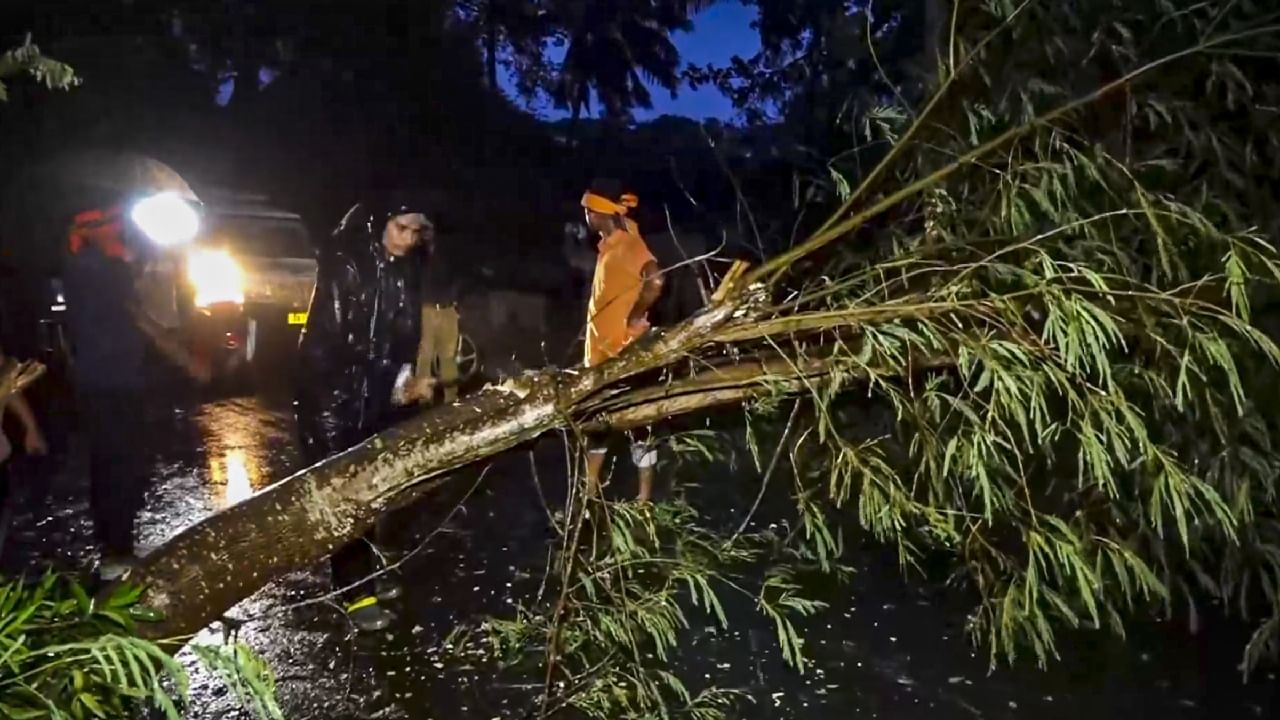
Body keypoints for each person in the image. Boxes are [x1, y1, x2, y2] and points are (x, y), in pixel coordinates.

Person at [295, 199, 434, 632]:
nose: (408, 238)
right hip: (333, 397)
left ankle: (367, 574)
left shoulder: (406, 267)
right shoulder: (346, 263)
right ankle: (352, 592)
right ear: (380, 221)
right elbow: (330, 341)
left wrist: (405, 377)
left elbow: (405, 331)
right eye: (401, 227)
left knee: (375, 490)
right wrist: (384, 375)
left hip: (374, 394)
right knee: (346, 495)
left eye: (416, 231)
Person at [61, 204, 211, 580]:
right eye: (110, 224)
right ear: (94, 230)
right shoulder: (107, 270)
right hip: (115, 381)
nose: (118, 229)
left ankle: (112, 546)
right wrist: (185, 359)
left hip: (97, 379)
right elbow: (138, 318)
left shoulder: (79, 267)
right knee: (121, 466)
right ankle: (116, 553)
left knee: (107, 463)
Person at [579, 181, 665, 502]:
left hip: (626, 353)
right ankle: (589, 489)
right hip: (601, 353)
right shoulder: (609, 246)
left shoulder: (629, 244)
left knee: (639, 424)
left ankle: (643, 499)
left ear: (598, 213)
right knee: (597, 424)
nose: (585, 217)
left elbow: (655, 279)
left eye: (587, 211)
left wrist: (635, 317)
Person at [415, 215, 461, 404]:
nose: (427, 233)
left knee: (448, 358)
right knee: (425, 356)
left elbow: (458, 277)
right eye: (424, 230)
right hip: (426, 310)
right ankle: (423, 399)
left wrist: (457, 303)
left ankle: (452, 399)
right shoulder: (416, 255)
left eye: (430, 229)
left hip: (447, 309)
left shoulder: (448, 252)